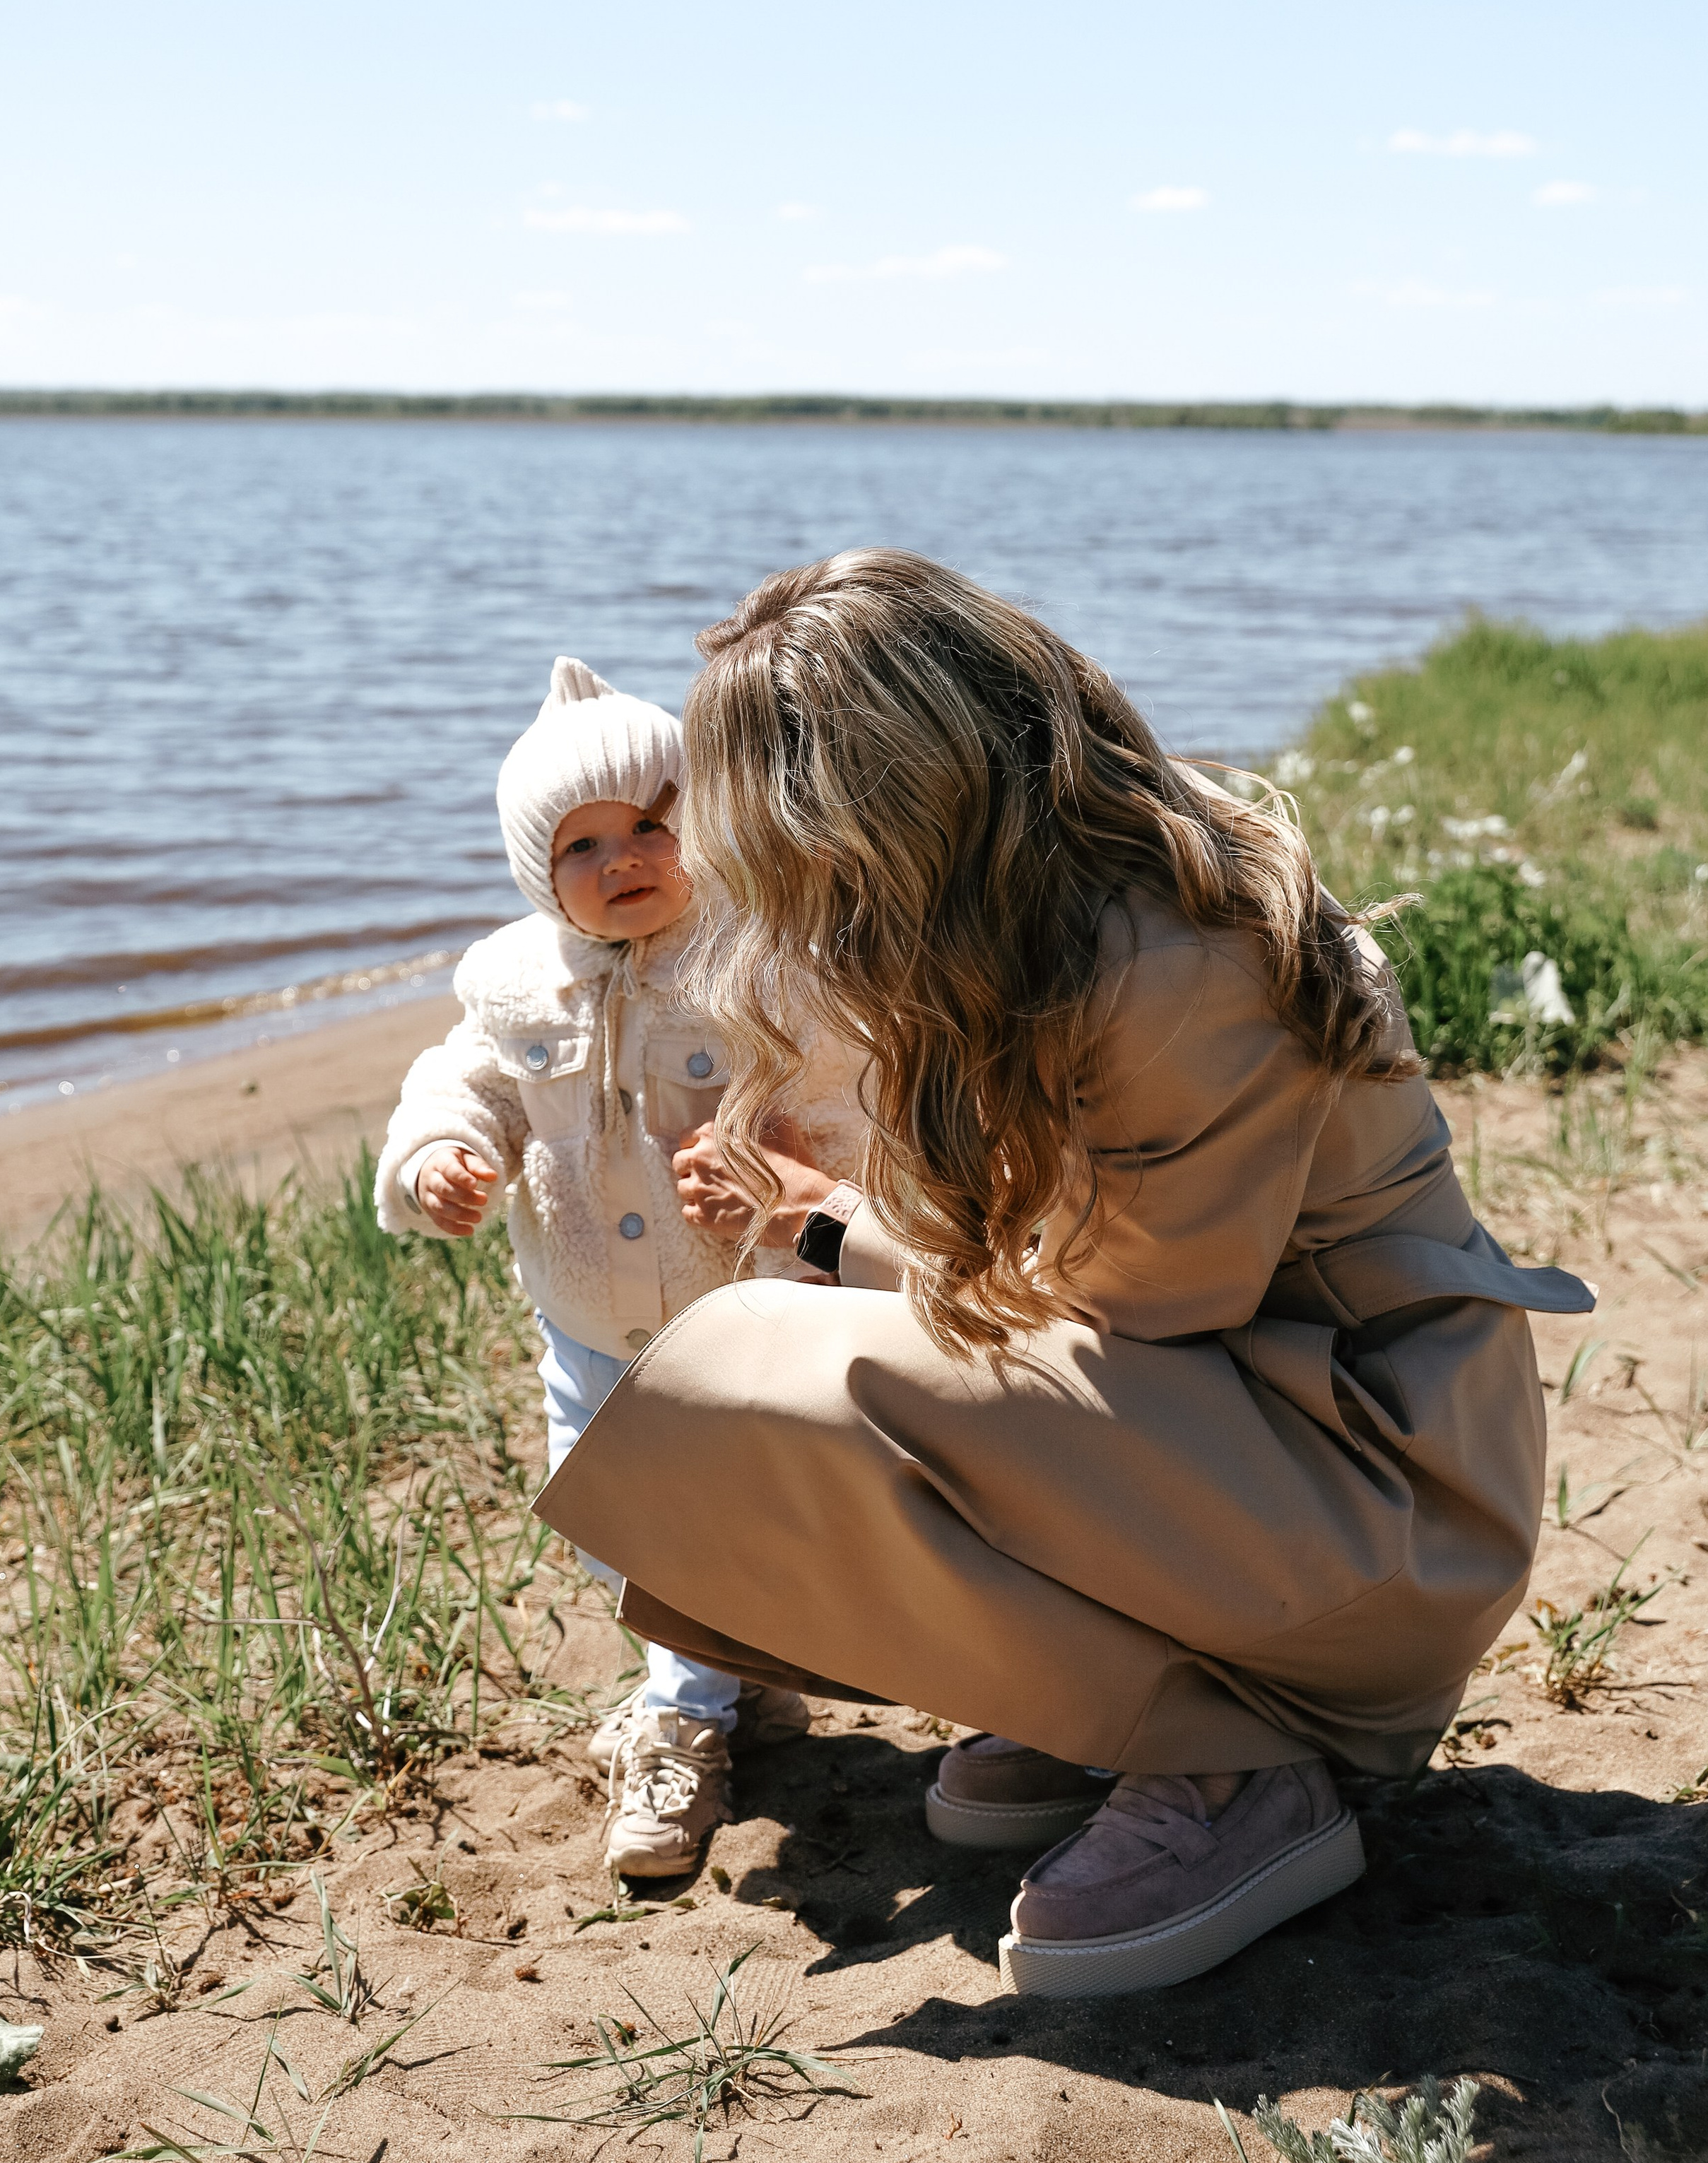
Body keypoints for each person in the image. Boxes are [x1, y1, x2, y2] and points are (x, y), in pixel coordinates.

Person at [539, 554, 1590, 1995]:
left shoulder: (1172, 953)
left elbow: (1122, 1319)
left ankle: (1246, 1758)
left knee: (753, 1362)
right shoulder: (1072, 906)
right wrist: (844, 1214)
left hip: (1381, 1504)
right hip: (1284, 1446)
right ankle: (1139, 1695)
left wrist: (836, 1226)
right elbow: (1080, 1294)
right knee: (785, 1351)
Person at [375, 656, 862, 1877]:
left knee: (699, 1522)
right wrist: (444, 1152)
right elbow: (464, 1081)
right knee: (601, 1513)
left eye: (652, 824)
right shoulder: (511, 981)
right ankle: (735, 1674)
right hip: (588, 1322)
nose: (623, 858)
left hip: (739, 1318)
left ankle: (685, 1720)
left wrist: (790, 1163)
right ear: (538, 874)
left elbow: (842, 1088)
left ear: (702, 828)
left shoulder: (758, 960)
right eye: (581, 846)